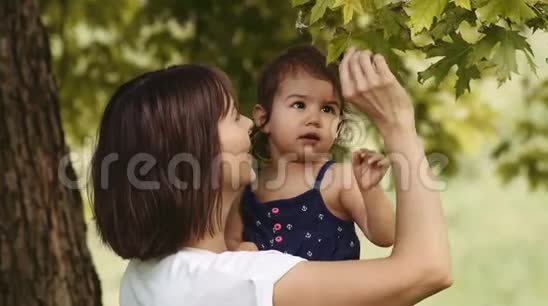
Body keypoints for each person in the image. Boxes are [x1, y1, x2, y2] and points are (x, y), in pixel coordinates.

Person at [91, 48, 452, 306]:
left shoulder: (146, 275)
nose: (249, 124)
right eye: (233, 117)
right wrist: (399, 126)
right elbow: (428, 270)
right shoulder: (233, 282)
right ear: (194, 153)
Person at [225, 45, 395, 261]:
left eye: (328, 109)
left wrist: (370, 190)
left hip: (333, 293)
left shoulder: (338, 180)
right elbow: (230, 242)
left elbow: (385, 236)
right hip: (271, 295)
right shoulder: (248, 187)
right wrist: (241, 250)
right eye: (299, 104)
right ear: (263, 118)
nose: (314, 118)